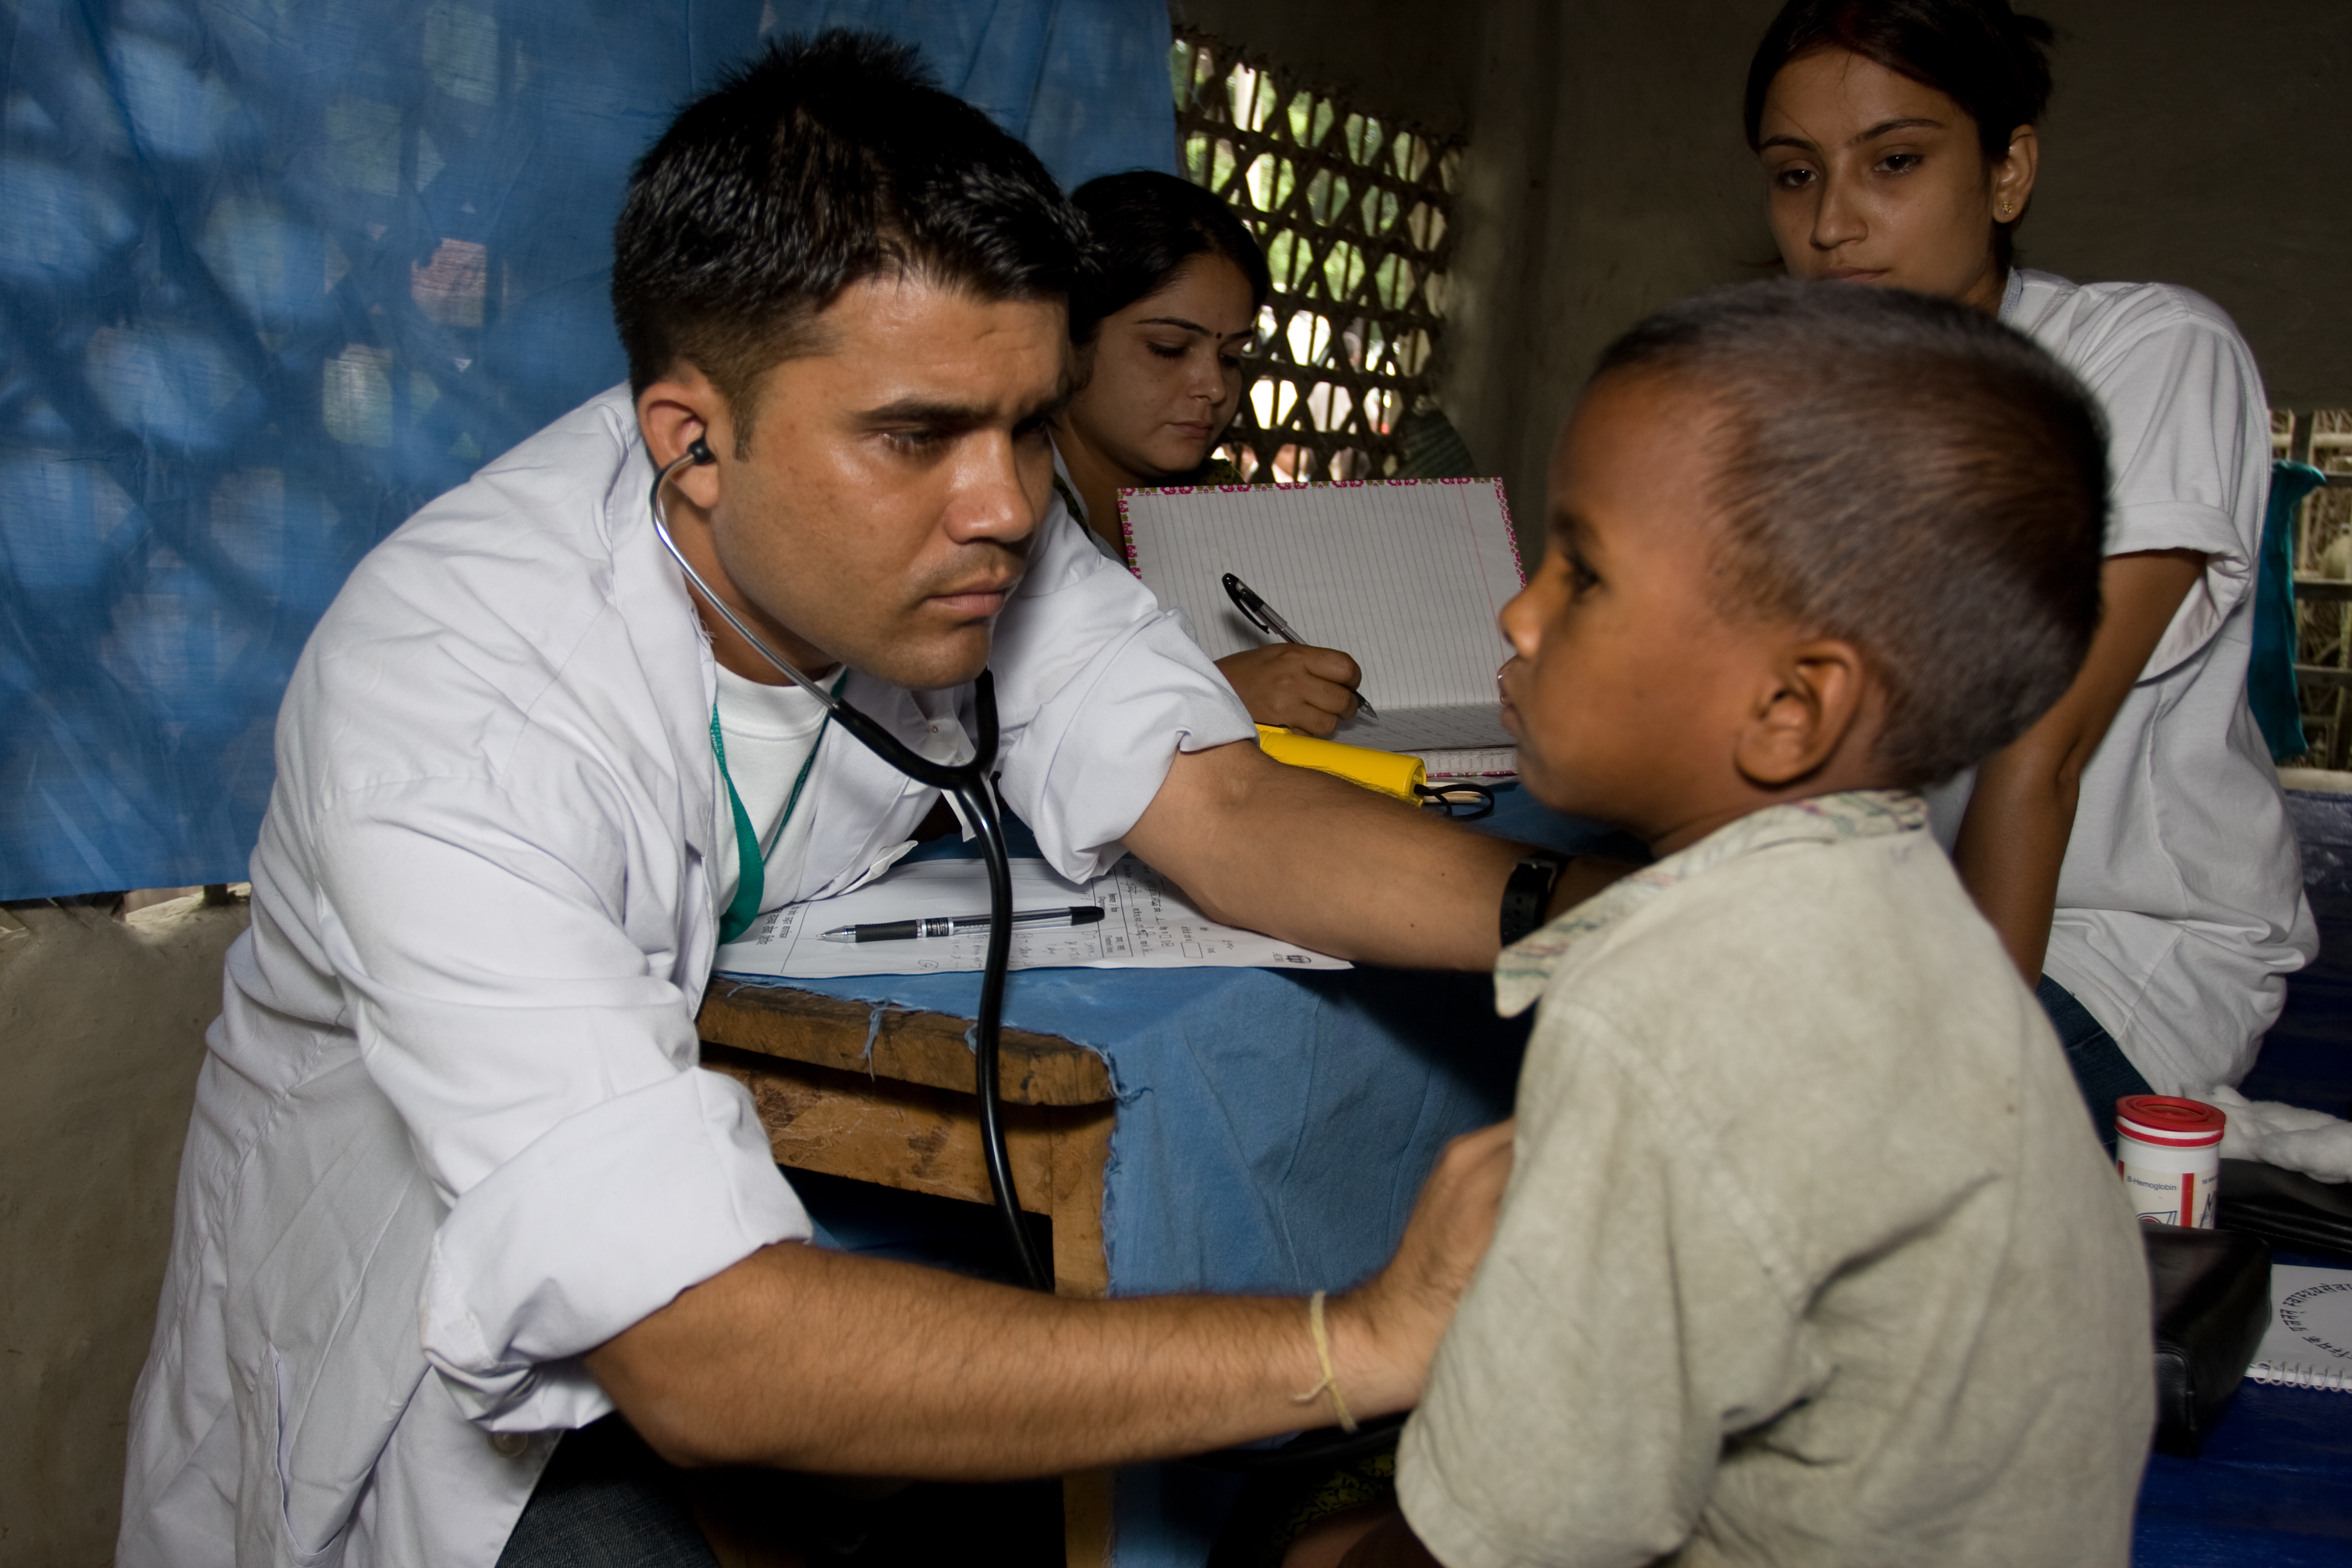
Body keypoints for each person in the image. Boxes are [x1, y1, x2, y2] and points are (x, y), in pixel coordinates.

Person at [115, 33, 1611, 1568]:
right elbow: (707, 1350)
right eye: (917, 436)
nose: (1010, 505)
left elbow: (1224, 811)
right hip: (425, 1308)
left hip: (719, 1213)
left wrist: (1595, 920)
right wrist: (1351, 1342)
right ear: (691, 442)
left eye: (1030, 423)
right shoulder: (454, 695)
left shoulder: (949, 539)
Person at [1292, 283, 2152, 1568]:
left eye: (1581, 574)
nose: (1518, 614)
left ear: (1792, 710)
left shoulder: (1672, 1006)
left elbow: (1516, 1537)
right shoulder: (1901, 902)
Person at [1743, 0, 2316, 1121]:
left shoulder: (2142, 360)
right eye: (1794, 175)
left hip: (2117, 953)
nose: (1832, 223)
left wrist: (1961, 1095)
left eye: (1893, 161)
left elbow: (2034, 749)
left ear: (2006, 173)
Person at [1054, 169, 1370, 737]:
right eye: (1168, 349)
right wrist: (1206, 692)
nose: (1215, 388)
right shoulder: (1008, 523)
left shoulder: (1226, 510)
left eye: (1231, 356)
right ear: (1066, 338)